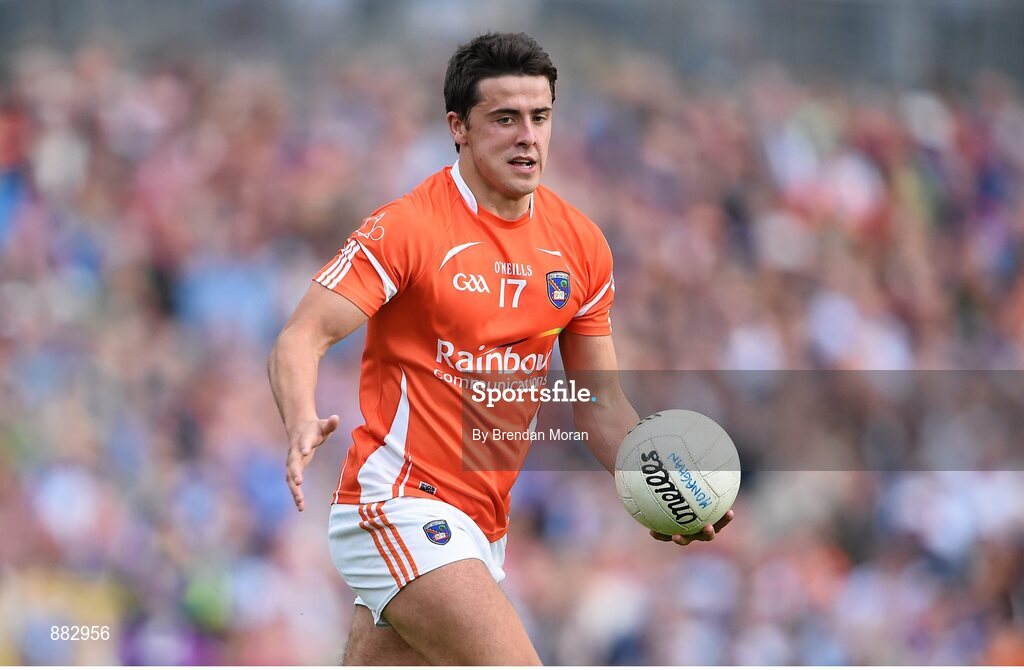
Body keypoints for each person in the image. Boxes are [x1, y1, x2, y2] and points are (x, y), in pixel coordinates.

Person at [268, 31, 734, 665]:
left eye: (540, 117)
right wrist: (299, 417)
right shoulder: (410, 226)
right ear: (459, 127)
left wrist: (661, 486)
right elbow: (302, 335)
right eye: (505, 118)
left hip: (482, 528)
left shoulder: (581, 245)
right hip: (400, 505)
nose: (528, 136)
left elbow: (600, 407)